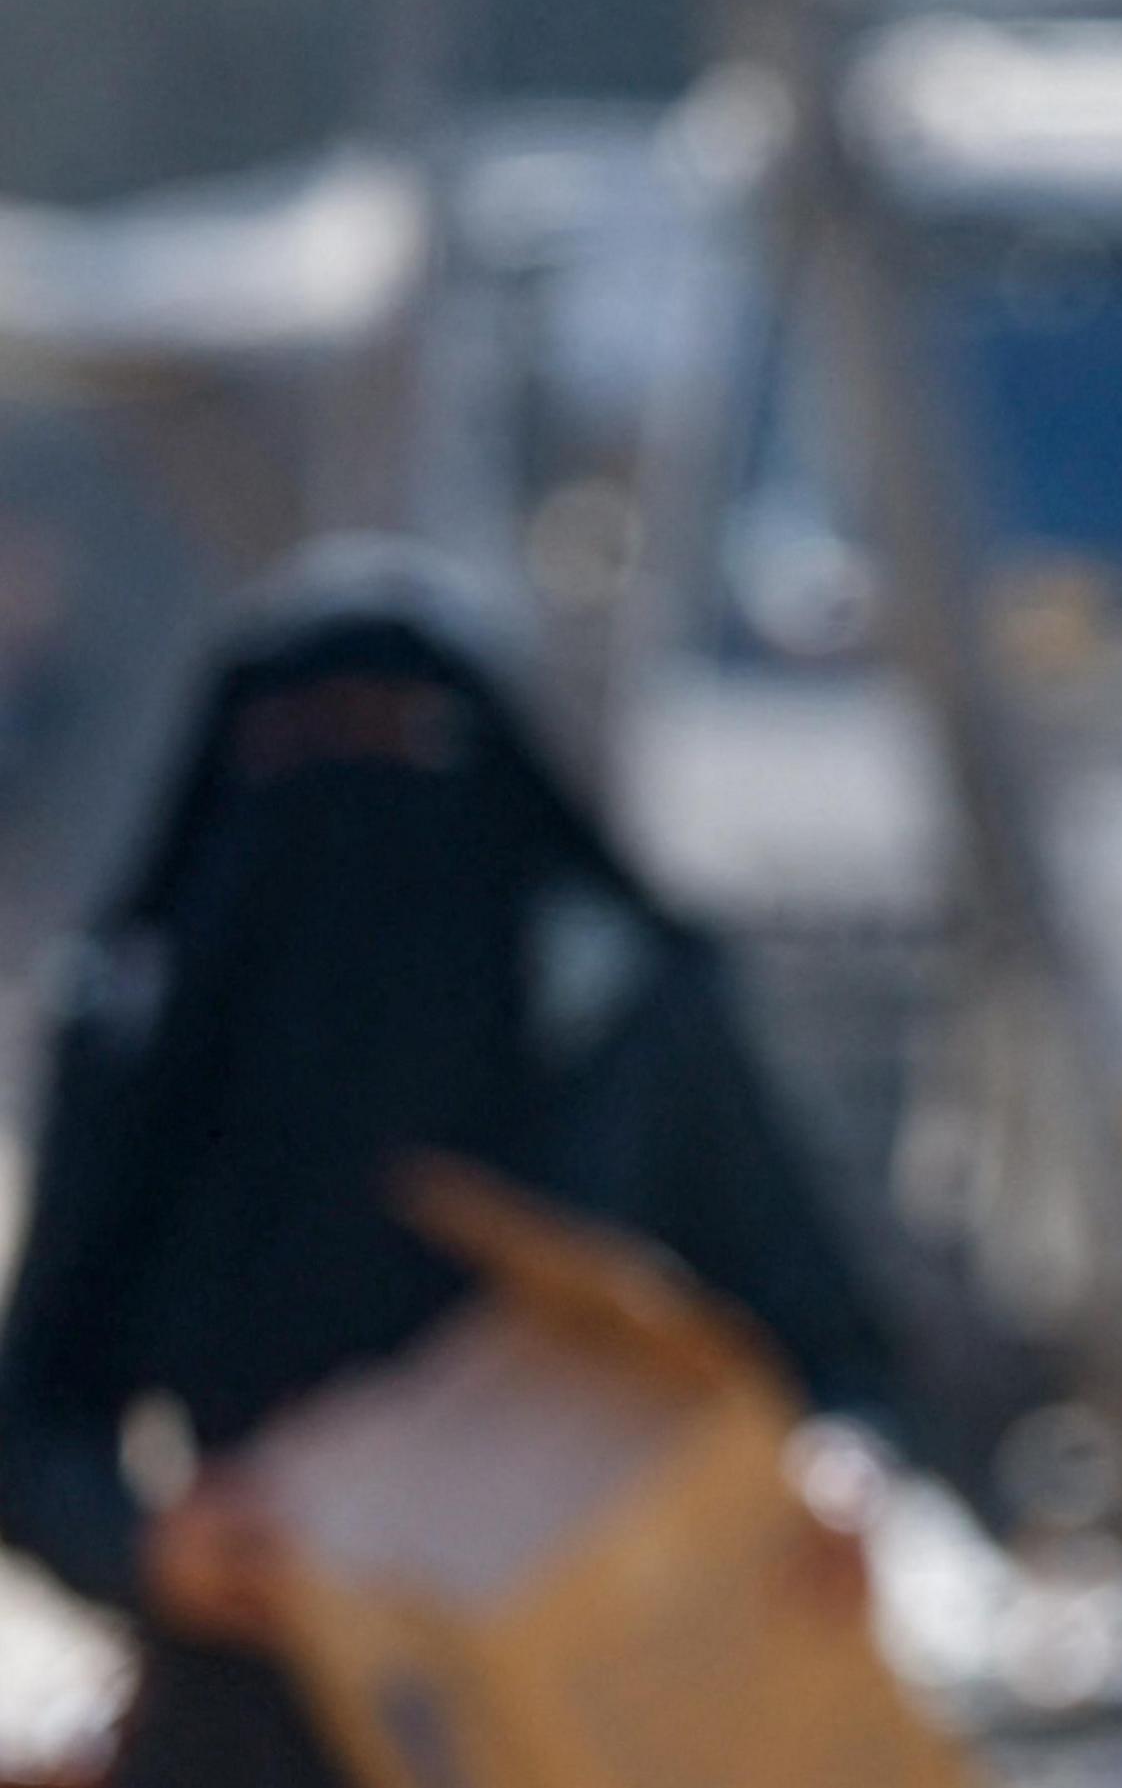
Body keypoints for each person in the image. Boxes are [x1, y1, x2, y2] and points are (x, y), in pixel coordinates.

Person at [0, 541, 897, 1786]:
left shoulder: (621, 1025)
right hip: (260, 1705)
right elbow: (30, 1414)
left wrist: (836, 1480)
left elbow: (837, 1350)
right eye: (314, 747)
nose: (354, 817)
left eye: (404, 743)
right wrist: (152, 1547)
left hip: (606, 1703)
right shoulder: (151, 1038)